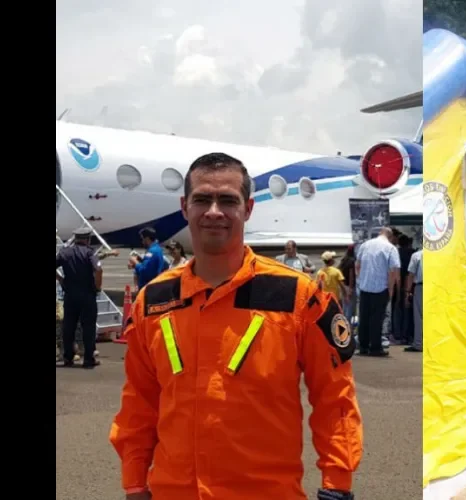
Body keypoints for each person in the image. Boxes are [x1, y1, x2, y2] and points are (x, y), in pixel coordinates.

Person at [109, 152, 362, 500]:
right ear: (185, 207)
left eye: (227, 200)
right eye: (202, 199)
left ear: (248, 208)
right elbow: (139, 401)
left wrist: (337, 483)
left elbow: (335, 398)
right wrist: (135, 481)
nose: (214, 211)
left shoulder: (299, 297)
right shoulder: (153, 301)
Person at [55, 226, 103, 368]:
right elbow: (99, 269)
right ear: (87, 240)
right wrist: (98, 286)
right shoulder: (90, 253)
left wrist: (60, 279)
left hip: (70, 295)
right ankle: (88, 360)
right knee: (88, 327)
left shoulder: (65, 252)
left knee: (68, 327)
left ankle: (68, 358)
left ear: (75, 239)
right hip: (87, 295)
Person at [355, 227, 400, 357]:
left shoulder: (365, 245)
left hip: (364, 287)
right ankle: (375, 347)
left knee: (364, 318)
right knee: (377, 319)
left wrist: (361, 279)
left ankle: (363, 347)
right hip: (381, 288)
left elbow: (357, 265)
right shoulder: (391, 248)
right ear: (390, 237)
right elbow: (393, 272)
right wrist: (391, 290)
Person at [404, 246, 423, 353]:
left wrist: (408, 293)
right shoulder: (438, 254)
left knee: (419, 316)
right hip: (436, 287)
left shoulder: (417, 255)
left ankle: (418, 343)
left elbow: (411, 275)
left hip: (421, 286)